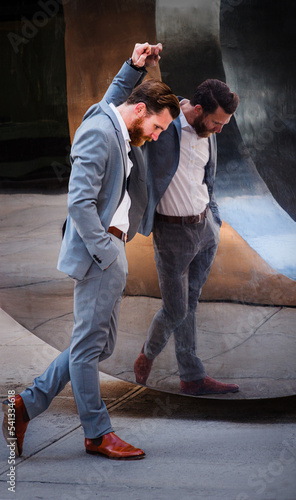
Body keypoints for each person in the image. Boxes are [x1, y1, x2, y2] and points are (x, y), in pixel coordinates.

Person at [2, 42, 180, 459]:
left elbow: (119, 94)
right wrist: (107, 254)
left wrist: (134, 66)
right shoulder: (100, 133)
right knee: (87, 349)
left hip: (111, 250)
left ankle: (25, 405)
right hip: (99, 254)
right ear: (140, 112)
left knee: (97, 345)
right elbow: (79, 203)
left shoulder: (115, 116)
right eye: (157, 128)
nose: (155, 137)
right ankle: (97, 433)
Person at [105, 63, 240, 395]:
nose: (220, 130)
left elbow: (209, 179)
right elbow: (149, 99)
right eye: (216, 122)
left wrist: (215, 218)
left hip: (205, 230)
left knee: (190, 304)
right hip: (172, 235)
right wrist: (148, 68)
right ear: (196, 110)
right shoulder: (163, 128)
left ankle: (191, 376)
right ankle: (148, 355)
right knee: (177, 308)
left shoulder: (211, 133)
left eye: (224, 124)